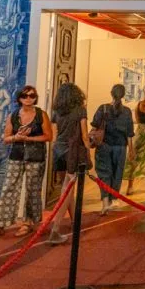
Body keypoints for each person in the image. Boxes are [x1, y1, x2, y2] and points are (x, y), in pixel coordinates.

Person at [0, 85, 53, 240]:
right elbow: (6, 138)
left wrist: (29, 138)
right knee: (8, 188)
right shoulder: (13, 116)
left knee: (32, 189)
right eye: (25, 96)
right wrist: (17, 137)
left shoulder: (41, 115)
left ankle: (28, 222)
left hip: (36, 156)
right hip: (17, 154)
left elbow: (48, 136)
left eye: (32, 95)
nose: (29, 99)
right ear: (19, 98)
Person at [49, 82, 90, 244]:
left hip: (58, 149)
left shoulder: (56, 111)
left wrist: (56, 149)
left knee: (66, 188)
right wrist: (87, 153)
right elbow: (85, 135)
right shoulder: (80, 110)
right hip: (72, 151)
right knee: (67, 190)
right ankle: (55, 229)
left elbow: (54, 135)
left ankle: (75, 222)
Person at [92, 85, 134, 215]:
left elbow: (94, 126)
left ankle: (105, 201)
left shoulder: (103, 108)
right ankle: (114, 199)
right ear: (123, 95)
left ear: (111, 93)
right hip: (121, 146)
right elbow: (129, 133)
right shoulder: (126, 111)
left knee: (105, 173)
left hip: (104, 145)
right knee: (117, 174)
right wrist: (132, 150)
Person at [129, 87, 145, 192]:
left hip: (140, 132)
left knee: (134, 159)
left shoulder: (139, 104)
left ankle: (130, 186)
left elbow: (137, 119)